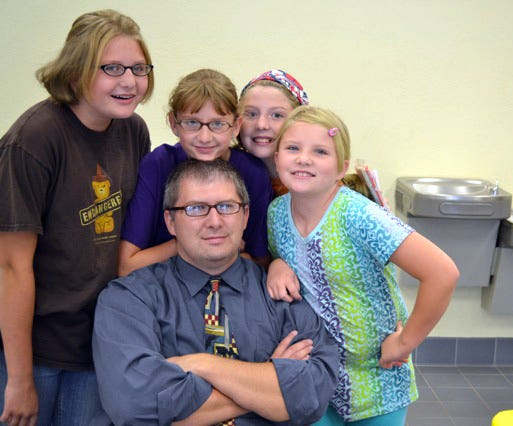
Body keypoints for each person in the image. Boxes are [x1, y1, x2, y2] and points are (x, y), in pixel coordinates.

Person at [92, 158, 339, 425]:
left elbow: (312, 396)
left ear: (245, 216)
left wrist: (203, 365)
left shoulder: (283, 294)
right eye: (196, 208)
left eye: (226, 207)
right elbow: (136, 406)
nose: (214, 221)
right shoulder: (129, 299)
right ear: (170, 221)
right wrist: (266, 379)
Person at [0, 9, 153, 426]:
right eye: (112, 68)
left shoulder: (133, 130)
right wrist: (18, 379)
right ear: (75, 73)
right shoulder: (34, 139)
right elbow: (10, 267)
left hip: (97, 343)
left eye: (139, 68)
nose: (129, 81)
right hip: (34, 348)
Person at [267, 106, 459, 425]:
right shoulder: (276, 213)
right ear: (276, 158)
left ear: (342, 167)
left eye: (320, 151)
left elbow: (442, 273)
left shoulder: (359, 216)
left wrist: (405, 342)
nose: (304, 158)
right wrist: (276, 263)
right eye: (292, 148)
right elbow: (285, 259)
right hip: (317, 379)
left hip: (378, 383)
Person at [118, 69, 273, 276]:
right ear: (174, 123)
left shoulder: (254, 175)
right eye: (192, 123)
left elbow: (259, 264)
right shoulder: (158, 164)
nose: (205, 137)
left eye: (217, 124)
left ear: (236, 126)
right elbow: (128, 267)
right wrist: (192, 244)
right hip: (162, 285)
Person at [237, 69, 309, 197]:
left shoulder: (318, 181)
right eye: (251, 114)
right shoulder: (226, 173)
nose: (261, 125)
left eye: (276, 115)